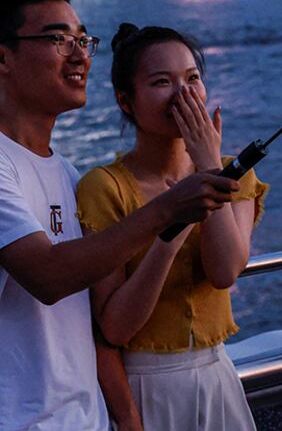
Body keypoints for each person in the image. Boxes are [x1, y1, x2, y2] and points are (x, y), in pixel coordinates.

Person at [0, 0, 241, 431]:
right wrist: (170, 209)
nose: (79, 55)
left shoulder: (68, 175)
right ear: (1, 59)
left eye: (82, 40)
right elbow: (48, 275)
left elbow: (95, 324)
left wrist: (127, 420)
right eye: (58, 40)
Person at [78, 24, 268, 431]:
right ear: (125, 101)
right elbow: (114, 327)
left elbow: (225, 272)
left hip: (217, 373)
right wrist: (169, 230)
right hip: (145, 386)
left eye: (193, 78)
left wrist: (208, 167)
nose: (183, 94)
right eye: (162, 82)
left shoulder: (235, 174)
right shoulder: (105, 187)